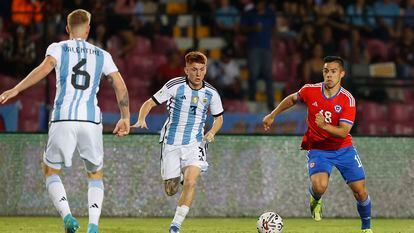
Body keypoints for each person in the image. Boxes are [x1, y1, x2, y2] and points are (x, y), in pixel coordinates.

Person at [0, 9, 130, 233]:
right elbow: (119, 85)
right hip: (91, 120)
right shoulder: (102, 55)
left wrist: (16, 89)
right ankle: (93, 226)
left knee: (51, 170)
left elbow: (44, 68)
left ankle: (68, 217)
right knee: (95, 174)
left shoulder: (57, 48)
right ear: (88, 29)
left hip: (64, 118)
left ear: (68, 29)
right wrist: (126, 117)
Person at [262, 56, 372, 233]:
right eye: (326, 71)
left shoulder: (347, 99)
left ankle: (366, 228)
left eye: (333, 71)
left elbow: (344, 131)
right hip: (319, 149)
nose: (329, 75)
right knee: (320, 186)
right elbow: (292, 99)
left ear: (342, 74)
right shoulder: (310, 90)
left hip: (344, 149)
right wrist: (273, 115)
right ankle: (316, 199)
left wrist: (324, 125)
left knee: (360, 191)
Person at [132, 51, 224, 233]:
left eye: (201, 70)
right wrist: (142, 118)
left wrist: (212, 131)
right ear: (186, 70)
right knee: (171, 189)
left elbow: (219, 118)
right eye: (194, 70)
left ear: (205, 70)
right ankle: (177, 177)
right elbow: (149, 103)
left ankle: (175, 226)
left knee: (191, 182)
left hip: (195, 143)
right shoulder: (174, 85)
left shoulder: (212, 93)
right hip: (171, 142)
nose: (198, 74)